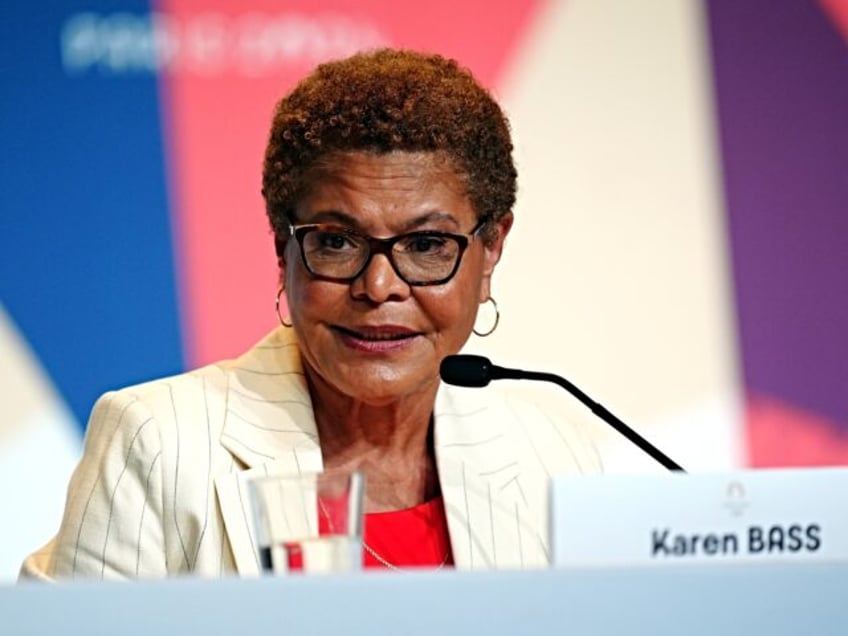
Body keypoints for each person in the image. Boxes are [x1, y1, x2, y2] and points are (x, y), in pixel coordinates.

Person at [21, 48, 600, 580]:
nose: (379, 287)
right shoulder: (160, 442)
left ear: (491, 247)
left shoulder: (551, 449)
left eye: (426, 246)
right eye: (337, 242)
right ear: (283, 249)